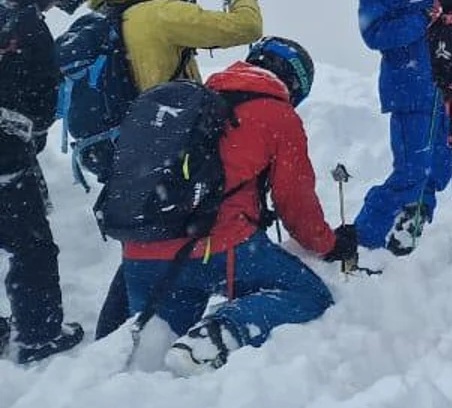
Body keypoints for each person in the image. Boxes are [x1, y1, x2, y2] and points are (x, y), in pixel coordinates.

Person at [117, 38, 358, 375]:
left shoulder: (194, 100)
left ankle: (122, 381)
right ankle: (218, 334)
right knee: (309, 295)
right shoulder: (276, 113)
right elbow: (296, 205)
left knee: (152, 356)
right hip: (216, 249)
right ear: (294, 81)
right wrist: (330, 244)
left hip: (141, 252)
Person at [85, 0, 265, 339]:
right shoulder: (159, 12)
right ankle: (148, 334)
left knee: (142, 243)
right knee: (174, 242)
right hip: (161, 149)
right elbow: (245, 28)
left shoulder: (114, 16)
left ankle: (115, 339)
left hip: (123, 149)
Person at [0, 0, 88, 364]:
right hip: (4, 147)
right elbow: (41, 105)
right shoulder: (31, 28)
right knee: (31, 245)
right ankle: (38, 336)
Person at [354, 0, 452, 256]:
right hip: (409, 89)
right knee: (412, 169)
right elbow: (375, 33)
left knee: (442, 164)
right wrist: (421, 19)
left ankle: (416, 214)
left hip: (440, 85)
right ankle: (365, 236)